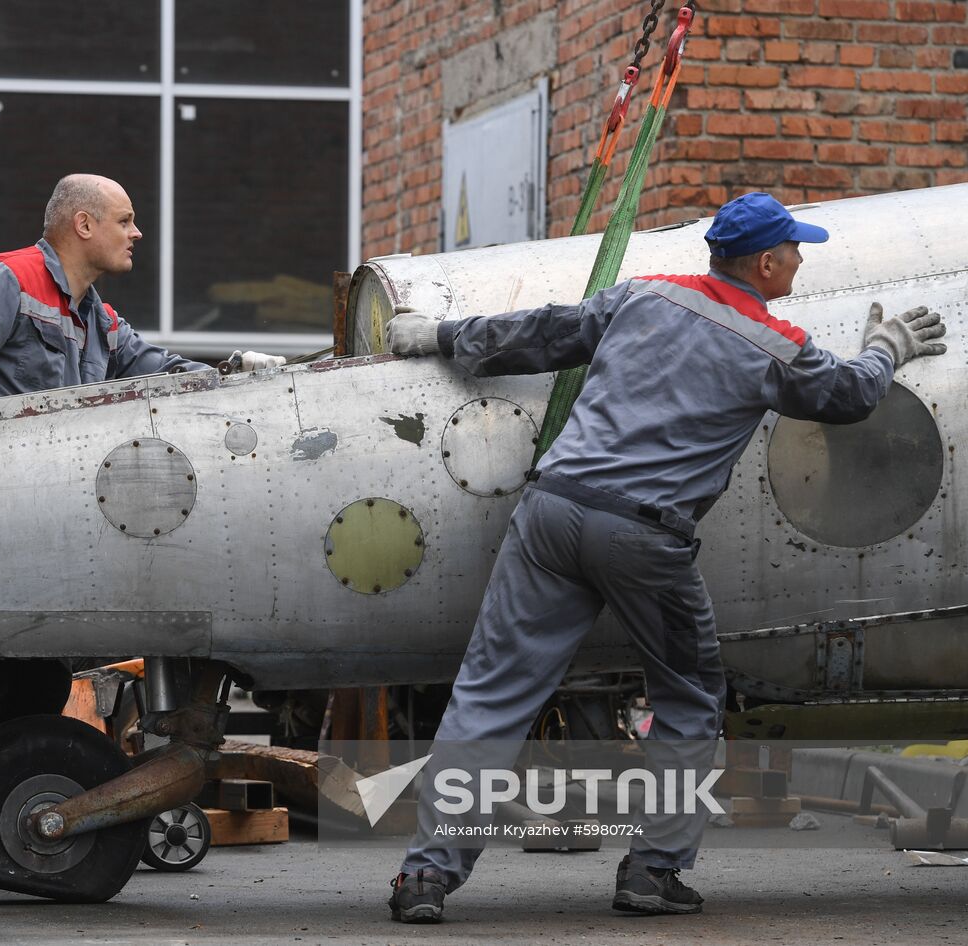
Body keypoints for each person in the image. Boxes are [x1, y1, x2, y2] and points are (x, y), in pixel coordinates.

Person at [383, 192, 948, 923]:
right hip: (643, 536)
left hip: (552, 510)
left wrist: (436, 334)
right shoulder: (770, 342)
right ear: (768, 262)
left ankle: (425, 878)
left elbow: (542, 333)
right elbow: (848, 396)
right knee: (688, 700)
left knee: (493, 694)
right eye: (796, 251)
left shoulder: (643, 297)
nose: (802, 261)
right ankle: (652, 871)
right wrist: (888, 345)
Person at [0, 173, 286, 891]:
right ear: (82, 225)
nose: (136, 233)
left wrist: (234, 372)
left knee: (29, 683)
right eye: (125, 220)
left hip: (17, 539)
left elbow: (150, 368)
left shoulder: (92, 314)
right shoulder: (5, 283)